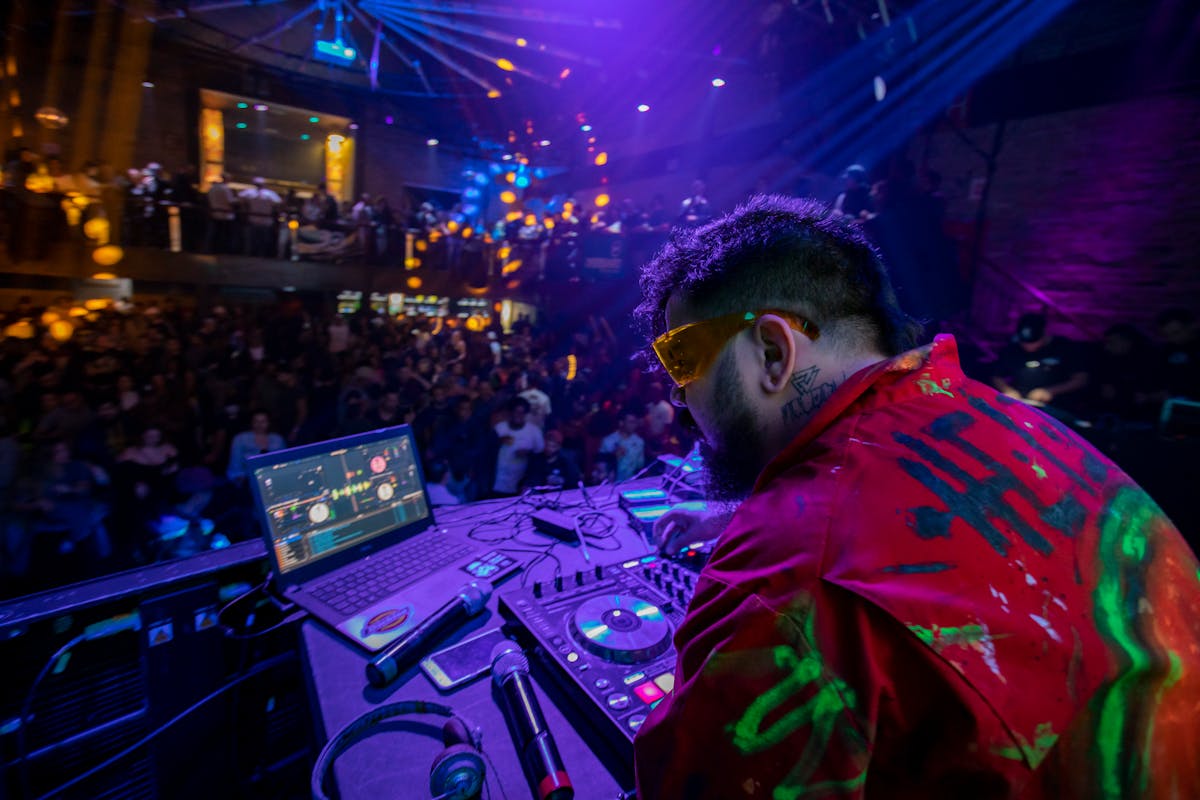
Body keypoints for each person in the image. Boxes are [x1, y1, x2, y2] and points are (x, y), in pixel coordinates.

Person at [631, 195, 1200, 799]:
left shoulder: (788, 570)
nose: (678, 398)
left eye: (684, 359)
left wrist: (779, 528)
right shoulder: (1024, 424)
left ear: (773, 352)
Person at [991, 311, 1090, 417]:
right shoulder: (1012, 349)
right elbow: (997, 376)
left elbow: (1081, 379)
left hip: (1055, 409)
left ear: (1044, 333)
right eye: (1024, 343)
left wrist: (1050, 391)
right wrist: (1008, 391)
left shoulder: (1065, 348)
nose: (1028, 347)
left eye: (1033, 342)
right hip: (1020, 406)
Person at [491, 396, 544, 497]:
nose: (518, 415)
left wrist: (528, 454)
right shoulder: (499, 428)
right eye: (516, 412)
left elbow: (540, 458)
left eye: (522, 412)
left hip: (520, 486)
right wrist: (498, 442)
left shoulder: (534, 432)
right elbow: (487, 452)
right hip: (497, 483)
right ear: (510, 413)